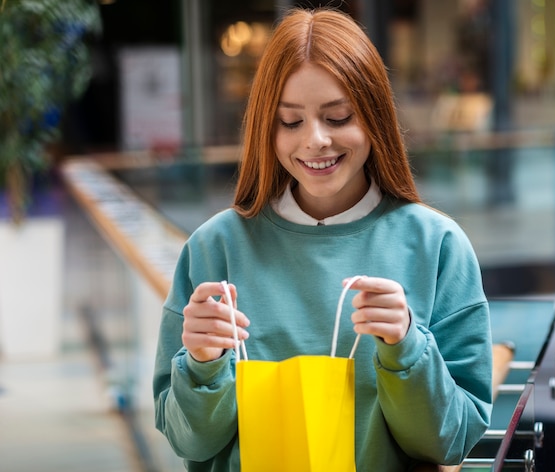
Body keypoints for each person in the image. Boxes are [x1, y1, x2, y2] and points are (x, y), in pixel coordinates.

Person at [153, 8, 492, 471]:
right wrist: (201, 363)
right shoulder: (214, 249)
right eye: (290, 122)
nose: (315, 141)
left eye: (338, 117)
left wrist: (407, 346)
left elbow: (448, 442)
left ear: (374, 117)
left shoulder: (437, 247)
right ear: (264, 129)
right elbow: (188, 443)